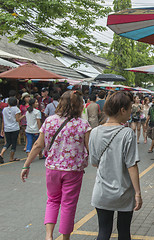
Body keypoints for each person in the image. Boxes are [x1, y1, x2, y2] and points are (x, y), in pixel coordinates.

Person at [20, 90, 91, 240]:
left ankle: (48, 236)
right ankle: (65, 238)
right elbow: (90, 148)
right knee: (68, 204)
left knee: (52, 200)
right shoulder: (83, 124)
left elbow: (38, 145)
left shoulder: (50, 121)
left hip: (52, 169)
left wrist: (26, 165)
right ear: (79, 105)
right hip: (73, 171)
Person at [89, 91, 142, 240]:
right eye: (130, 108)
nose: (131, 111)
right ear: (122, 110)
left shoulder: (94, 132)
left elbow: (94, 162)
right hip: (124, 193)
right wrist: (137, 193)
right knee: (124, 231)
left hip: (102, 192)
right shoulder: (127, 133)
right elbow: (132, 165)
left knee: (103, 231)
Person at [0, 97, 23, 163]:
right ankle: (11, 158)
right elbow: (17, 119)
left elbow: (3, 120)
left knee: (8, 142)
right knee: (14, 143)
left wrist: (2, 129)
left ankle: (1, 153)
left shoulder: (4, 109)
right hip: (14, 128)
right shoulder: (16, 109)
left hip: (7, 128)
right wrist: (23, 116)